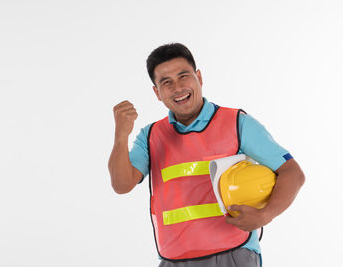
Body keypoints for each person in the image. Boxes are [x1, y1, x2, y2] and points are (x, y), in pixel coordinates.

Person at [108, 43, 305, 267]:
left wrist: (265, 215)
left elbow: (292, 173)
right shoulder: (150, 135)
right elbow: (121, 185)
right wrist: (121, 136)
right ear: (157, 92)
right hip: (173, 260)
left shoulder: (237, 123)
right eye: (166, 82)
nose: (178, 87)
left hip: (233, 255)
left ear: (199, 77)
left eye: (184, 76)